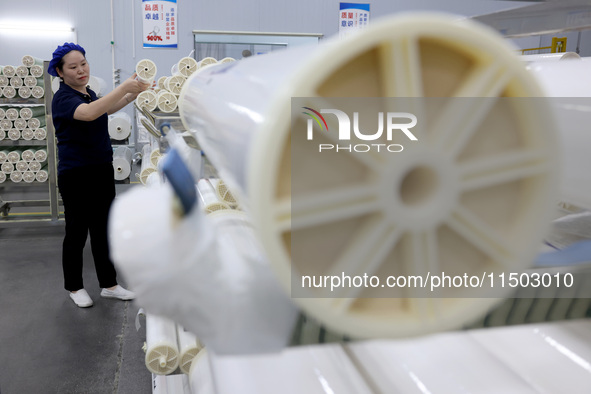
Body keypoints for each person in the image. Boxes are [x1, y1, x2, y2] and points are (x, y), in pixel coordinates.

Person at [49, 42, 150, 307]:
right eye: (73, 67)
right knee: (77, 232)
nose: (81, 70)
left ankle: (109, 284)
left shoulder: (88, 92)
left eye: (83, 63)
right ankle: (74, 287)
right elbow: (91, 113)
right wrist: (122, 88)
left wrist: (134, 94)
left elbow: (104, 109)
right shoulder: (63, 99)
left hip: (101, 169)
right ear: (60, 72)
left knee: (104, 229)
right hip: (76, 174)